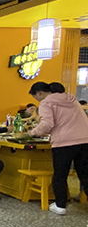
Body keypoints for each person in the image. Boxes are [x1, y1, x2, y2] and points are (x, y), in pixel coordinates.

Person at [28, 81, 88, 215]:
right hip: (85, 140)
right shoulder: (72, 99)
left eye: (35, 97)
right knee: (85, 174)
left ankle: (60, 205)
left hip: (64, 142)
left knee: (60, 174)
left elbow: (47, 124)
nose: (37, 100)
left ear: (39, 93)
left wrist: (32, 132)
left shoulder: (46, 103)